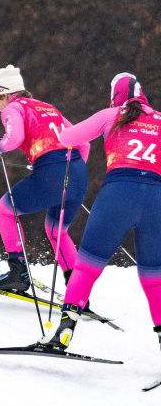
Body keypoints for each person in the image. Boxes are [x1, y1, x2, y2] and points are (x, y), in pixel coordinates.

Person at [41, 73, 161, 352]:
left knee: (86, 266)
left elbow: (67, 137)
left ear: (115, 96)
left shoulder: (111, 115)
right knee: (154, 280)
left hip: (117, 195)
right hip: (156, 199)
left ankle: (64, 332)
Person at [0, 65, 90, 293]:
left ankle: (18, 274)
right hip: (79, 173)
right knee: (56, 231)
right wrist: (68, 171)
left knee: (5, 209)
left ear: (3, 93)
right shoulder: (47, 107)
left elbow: (14, 139)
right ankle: (77, 291)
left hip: (53, 174)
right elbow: (84, 143)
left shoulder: (13, 108)